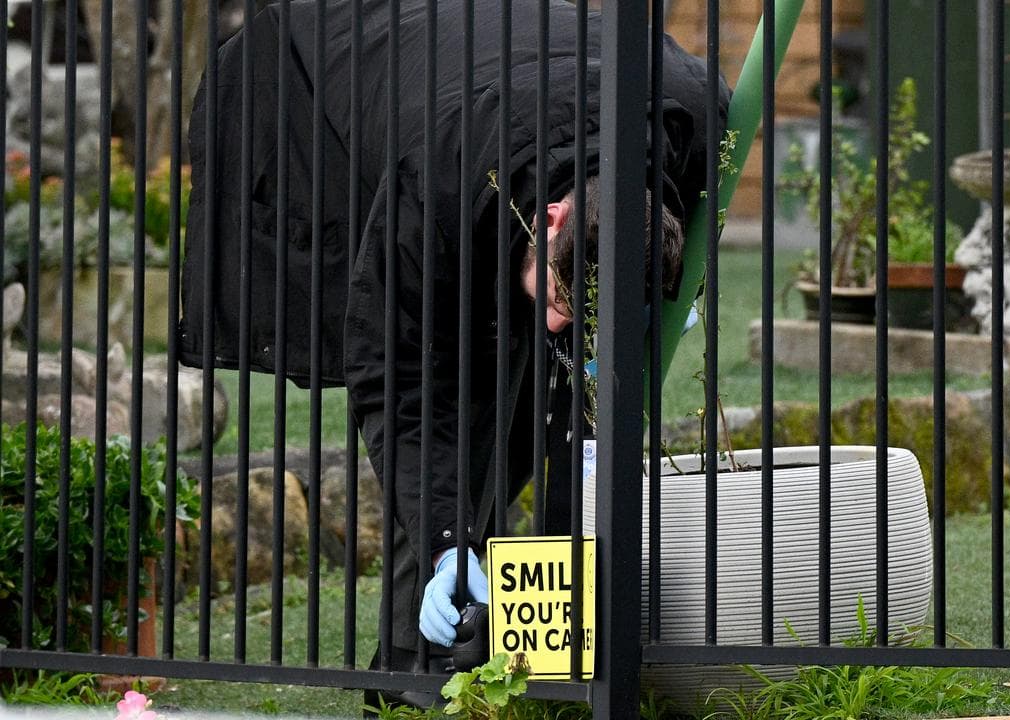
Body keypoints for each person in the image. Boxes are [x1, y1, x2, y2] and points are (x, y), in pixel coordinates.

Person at [179, 0, 730, 699]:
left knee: (533, 404)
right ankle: (418, 680)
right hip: (312, 92)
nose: (564, 327)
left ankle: (518, 659)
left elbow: (696, 204)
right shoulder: (431, 183)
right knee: (456, 423)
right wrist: (447, 540)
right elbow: (399, 381)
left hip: (498, 76)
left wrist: (674, 300)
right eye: (563, 300)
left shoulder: (689, 114)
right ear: (552, 215)